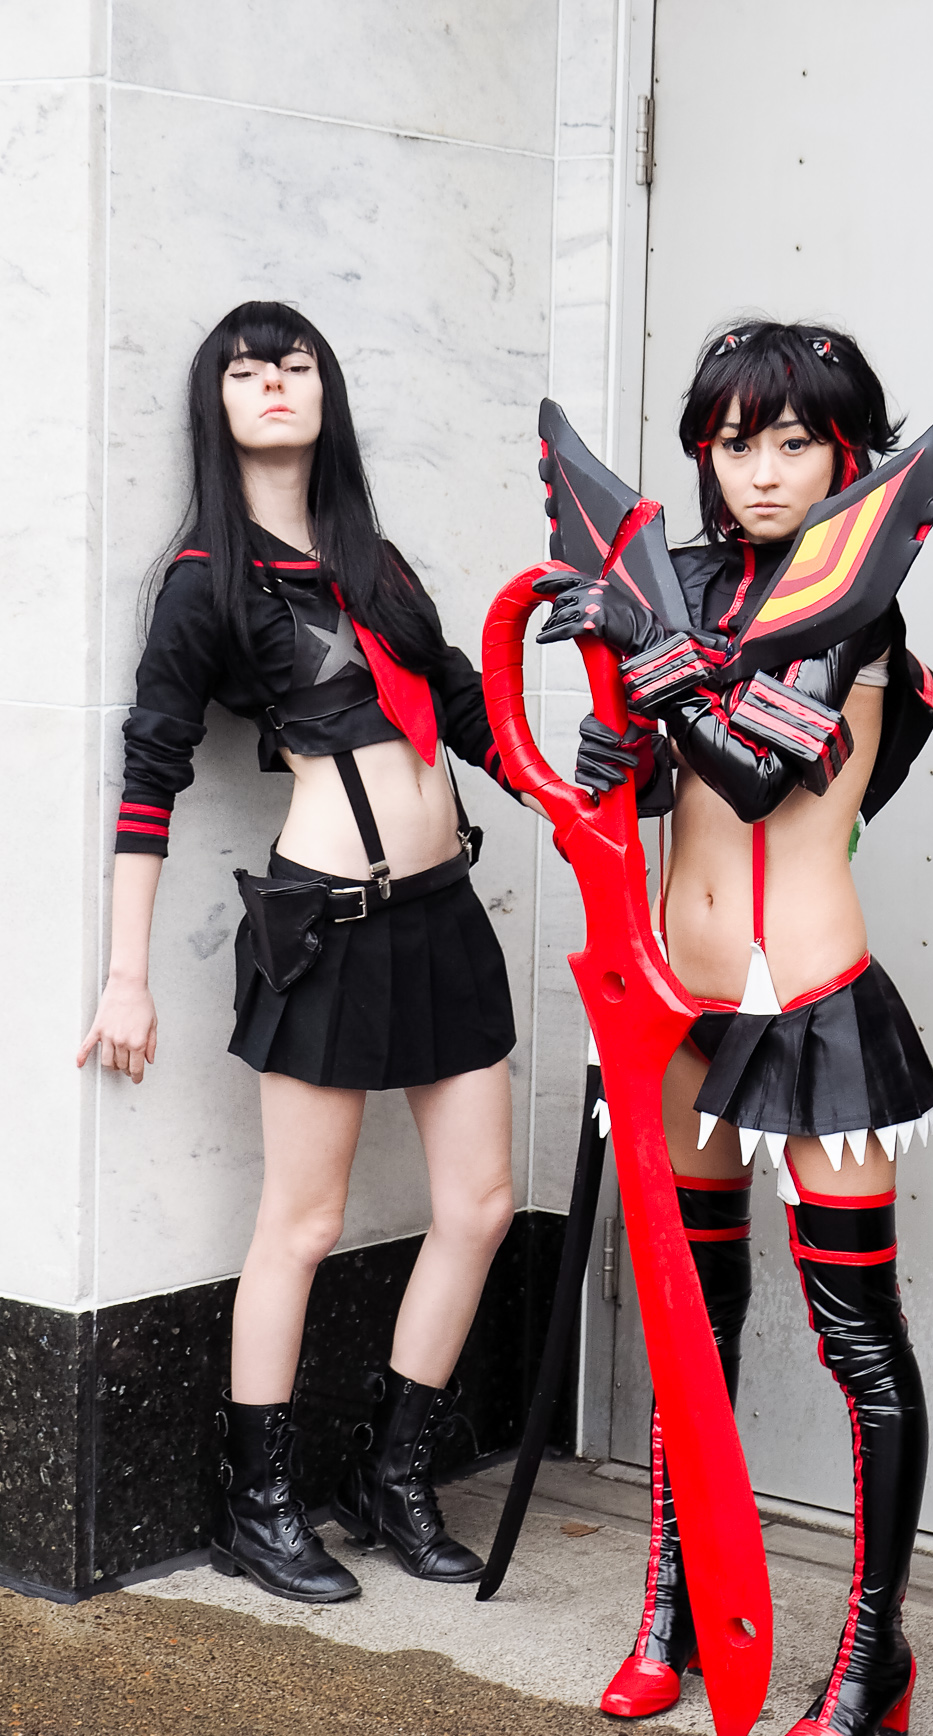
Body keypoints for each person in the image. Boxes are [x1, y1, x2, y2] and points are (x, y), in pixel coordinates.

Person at [536, 322, 933, 1736]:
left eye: (793, 442)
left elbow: (765, 773)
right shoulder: (677, 587)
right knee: (686, 1318)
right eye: (734, 442)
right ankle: (679, 1608)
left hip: (814, 1004)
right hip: (677, 1005)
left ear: (849, 454)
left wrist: (649, 665)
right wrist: (612, 759)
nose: (762, 471)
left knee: (856, 1339)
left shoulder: (855, 601)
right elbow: (674, 781)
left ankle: (870, 1657)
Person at [78, 302, 523, 1605]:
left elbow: (468, 711)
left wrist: (590, 788)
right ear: (214, 404)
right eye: (246, 369)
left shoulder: (374, 562)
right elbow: (151, 773)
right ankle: (257, 1506)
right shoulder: (204, 581)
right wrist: (125, 974)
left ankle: (392, 1478)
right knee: (305, 1220)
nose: (274, 382)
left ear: (327, 392)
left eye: (296, 364)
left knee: (482, 1207)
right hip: (324, 924)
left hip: (443, 914)